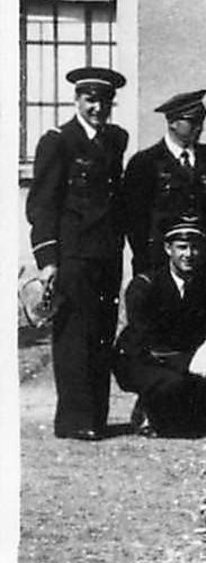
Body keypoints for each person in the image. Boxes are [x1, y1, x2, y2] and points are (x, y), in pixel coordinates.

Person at [26, 66, 130, 440]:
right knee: (73, 336)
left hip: (106, 253)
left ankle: (96, 417)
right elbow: (42, 205)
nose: (98, 108)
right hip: (73, 255)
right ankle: (75, 419)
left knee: (102, 332)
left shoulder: (115, 140)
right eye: (90, 100)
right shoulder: (58, 141)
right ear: (77, 100)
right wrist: (48, 260)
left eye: (104, 101)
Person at [113, 215, 206, 436]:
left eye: (194, 248)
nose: (188, 255)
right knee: (176, 390)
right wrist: (193, 361)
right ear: (167, 249)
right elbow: (147, 340)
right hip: (144, 360)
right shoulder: (145, 286)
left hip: (190, 359)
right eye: (181, 247)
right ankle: (149, 408)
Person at [122, 89, 206, 289]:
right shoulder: (145, 163)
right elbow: (135, 222)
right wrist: (147, 259)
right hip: (160, 262)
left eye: (201, 121)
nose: (199, 128)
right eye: (192, 122)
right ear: (172, 122)